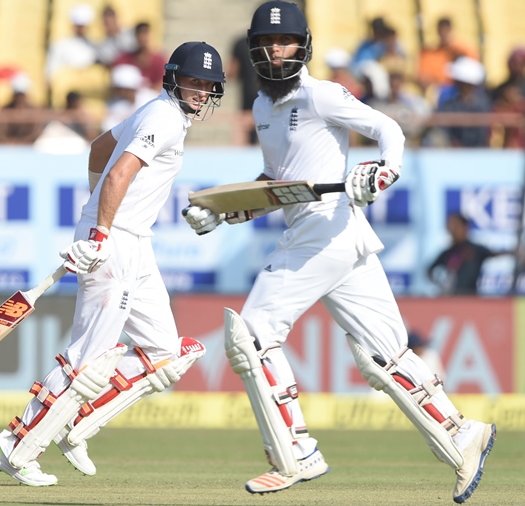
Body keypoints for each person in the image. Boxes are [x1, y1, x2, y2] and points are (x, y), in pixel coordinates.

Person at [183, 2, 495, 503]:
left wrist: (382, 170)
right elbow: (276, 186)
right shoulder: (263, 107)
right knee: (383, 356)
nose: (273, 51)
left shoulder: (322, 95)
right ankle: (462, 437)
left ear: (302, 45)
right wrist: (224, 210)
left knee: (252, 337)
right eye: (264, 43)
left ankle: (296, 452)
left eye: (282, 41)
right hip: (329, 236)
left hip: (326, 230)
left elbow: (387, 130)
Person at [0, 40, 226, 486]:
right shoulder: (164, 116)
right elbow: (117, 171)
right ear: (173, 77)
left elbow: (99, 149)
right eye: (194, 81)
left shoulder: (157, 113)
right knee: (88, 358)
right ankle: (16, 448)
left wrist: (95, 209)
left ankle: (75, 424)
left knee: (166, 354)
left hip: (133, 241)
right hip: (113, 241)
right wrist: (99, 231)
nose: (200, 92)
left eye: (208, 85)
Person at [427, 213, 506, 295]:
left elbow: (494, 253)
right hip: (451, 299)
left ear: (465, 228)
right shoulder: (448, 253)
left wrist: (513, 253)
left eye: (455, 226)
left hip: (470, 299)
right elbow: (429, 270)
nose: (452, 230)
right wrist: (440, 283)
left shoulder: (475, 250)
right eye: (450, 227)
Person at [418, 17, 480, 102]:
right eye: (442, 30)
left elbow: (475, 74)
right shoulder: (429, 53)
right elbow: (423, 79)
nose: (444, 34)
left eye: (447, 30)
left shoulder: (463, 50)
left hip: (462, 89)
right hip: (440, 91)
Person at [44, 4, 98, 84]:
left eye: (83, 26)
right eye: (79, 25)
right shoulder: (60, 45)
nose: (81, 29)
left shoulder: (95, 47)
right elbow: (50, 72)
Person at [101, 63, 157, 132]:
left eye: (127, 89)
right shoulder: (113, 104)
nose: (122, 92)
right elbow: (109, 127)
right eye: (119, 89)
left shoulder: (152, 98)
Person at [112, 22, 166, 91]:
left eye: (145, 34)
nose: (143, 38)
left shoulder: (159, 60)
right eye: (140, 34)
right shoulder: (124, 59)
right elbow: (116, 86)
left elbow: (160, 87)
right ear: (135, 36)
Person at [228, 34, 260, 145]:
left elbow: (232, 72)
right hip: (269, 94)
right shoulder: (271, 43)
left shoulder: (241, 42)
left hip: (249, 96)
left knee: (246, 136)